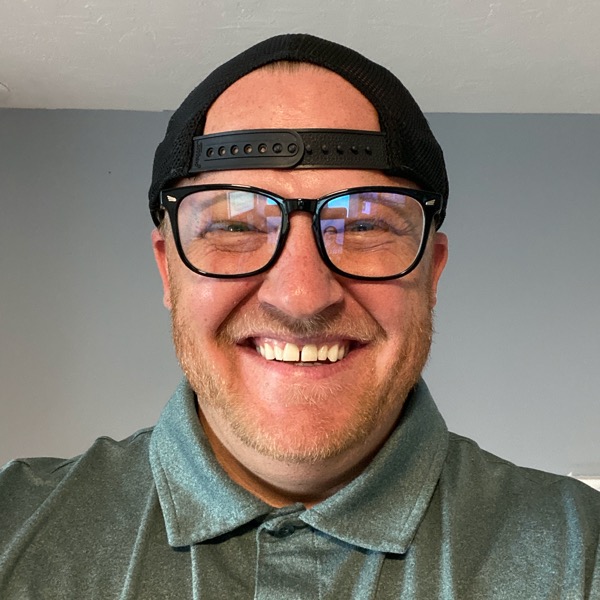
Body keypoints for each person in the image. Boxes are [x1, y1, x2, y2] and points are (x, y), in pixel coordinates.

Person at [0, 33, 598, 599]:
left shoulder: (583, 553)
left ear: (432, 272)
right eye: (236, 227)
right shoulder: (14, 525)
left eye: (363, 225)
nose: (301, 296)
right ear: (167, 271)